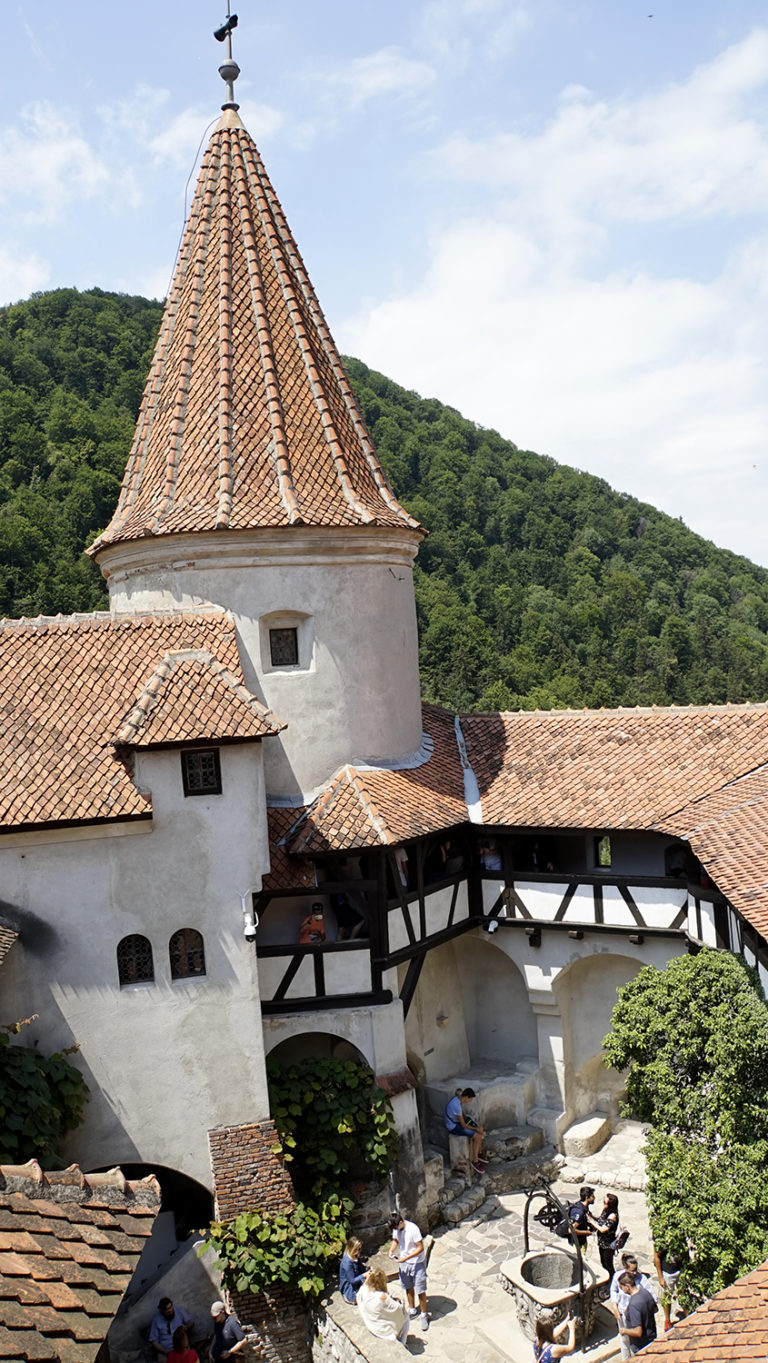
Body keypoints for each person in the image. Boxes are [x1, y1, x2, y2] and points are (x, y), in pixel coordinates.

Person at [609, 1256, 658, 1360]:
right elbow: (613, 1290)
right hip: (623, 1314)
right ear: (625, 1268)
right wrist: (614, 1306)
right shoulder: (619, 1277)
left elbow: (653, 1297)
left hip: (637, 1315)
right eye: (632, 1270)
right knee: (625, 1341)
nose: (635, 1273)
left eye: (636, 1270)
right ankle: (625, 1359)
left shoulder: (642, 1280)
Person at [389, 1211, 429, 1331]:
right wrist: (391, 1251)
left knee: (420, 1290)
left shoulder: (413, 1229)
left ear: (401, 1222)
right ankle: (412, 1310)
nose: (396, 1230)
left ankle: (424, 1315)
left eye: (397, 1227)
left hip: (417, 1263)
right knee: (408, 1286)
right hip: (404, 1263)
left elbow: (420, 1248)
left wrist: (406, 1257)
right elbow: (395, 1240)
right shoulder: (396, 1228)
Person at [356, 1268, 410, 1346]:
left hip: (371, 1321)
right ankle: (403, 1342)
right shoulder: (382, 1297)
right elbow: (397, 1308)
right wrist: (401, 1302)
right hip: (382, 1330)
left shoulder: (363, 1290)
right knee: (406, 1318)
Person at [444, 1087, 487, 1174]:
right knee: (477, 1136)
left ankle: (479, 1153)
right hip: (453, 1127)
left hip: (457, 1122)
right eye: (470, 1099)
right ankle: (475, 1161)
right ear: (466, 1097)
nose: (470, 1101)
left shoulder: (458, 1100)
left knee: (481, 1129)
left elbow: (463, 1115)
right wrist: (475, 1128)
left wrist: (473, 1122)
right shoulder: (457, 1106)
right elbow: (463, 1124)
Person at [618, 1273, 658, 1354]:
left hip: (641, 1345)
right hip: (652, 1337)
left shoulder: (634, 1304)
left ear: (628, 1286)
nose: (621, 1290)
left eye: (621, 1287)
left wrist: (623, 1331)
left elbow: (638, 1332)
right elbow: (655, 1309)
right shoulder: (645, 1292)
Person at [653, 1246, 682, 1331]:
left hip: (680, 1269)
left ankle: (688, 1315)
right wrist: (660, 1277)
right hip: (667, 1272)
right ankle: (667, 1320)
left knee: (683, 1294)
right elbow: (656, 1257)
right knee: (667, 1297)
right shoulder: (661, 1236)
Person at [595, 1192, 620, 1275]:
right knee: (603, 1262)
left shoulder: (612, 1216)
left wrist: (592, 1222)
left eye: (605, 1202)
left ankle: (612, 1281)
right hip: (602, 1243)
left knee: (608, 1265)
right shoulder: (605, 1211)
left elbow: (603, 1229)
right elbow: (600, 1220)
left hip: (608, 1245)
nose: (603, 1203)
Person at [339, 1235, 369, 1304]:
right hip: (350, 1291)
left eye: (359, 1249)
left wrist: (368, 1270)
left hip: (358, 1285)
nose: (359, 1251)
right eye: (357, 1249)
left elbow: (362, 1269)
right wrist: (364, 1275)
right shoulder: (347, 1262)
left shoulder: (355, 1257)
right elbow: (352, 1280)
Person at [568, 1186, 596, 1255]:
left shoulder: (581, 1205)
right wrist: (587, 1232)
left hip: (582, 1241)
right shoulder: (580, 1212)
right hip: (578, 1244)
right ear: (587, 1198)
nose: (594, 1198)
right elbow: (571, 1230)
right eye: (592, 1196)